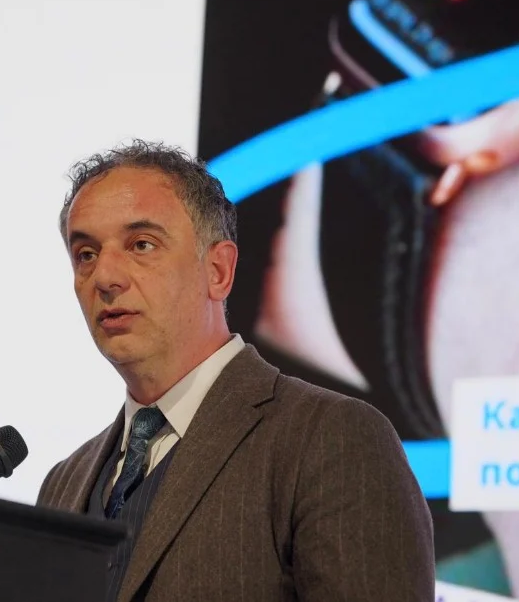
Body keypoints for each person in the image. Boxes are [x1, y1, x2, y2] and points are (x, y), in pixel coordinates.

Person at [36, 139, 435, 602]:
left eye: (141, 244)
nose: (105, 277)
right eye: (85, 254)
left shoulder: (332, 439)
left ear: (218, 271)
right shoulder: (63, 483)